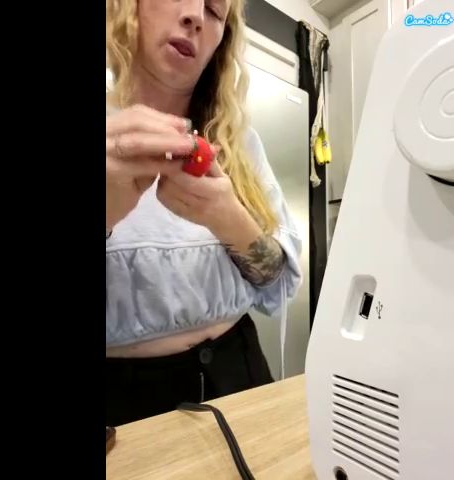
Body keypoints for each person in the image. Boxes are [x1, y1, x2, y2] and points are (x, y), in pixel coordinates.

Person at [105, 0, 303, 427]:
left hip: (241, 370)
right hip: (120, 402)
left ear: (221, 42)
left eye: (215, 11)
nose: (195, 15)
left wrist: (227, 216)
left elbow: (277, 281)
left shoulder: (241, 144)